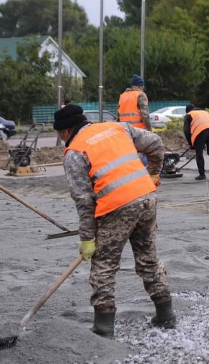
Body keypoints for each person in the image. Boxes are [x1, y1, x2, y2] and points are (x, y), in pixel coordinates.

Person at [55, 103, 176, 337]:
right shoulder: (117, 128)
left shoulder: (75, 152)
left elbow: (84, 201)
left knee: (104, 265)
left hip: (118, 207)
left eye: (60, 134)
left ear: (66, 131)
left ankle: (103, 328)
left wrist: (87, 238)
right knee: (148, 258)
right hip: (146, 199)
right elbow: (156, 144)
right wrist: (152, 174)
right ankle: (166, 315)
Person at [184, 104, 209, 180]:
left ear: (187, 111)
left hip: (200, 132)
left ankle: (202, 174)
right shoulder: (205, 112)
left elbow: (186, 131)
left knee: (199, 153)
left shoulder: (188, 115)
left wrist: (191, 144)